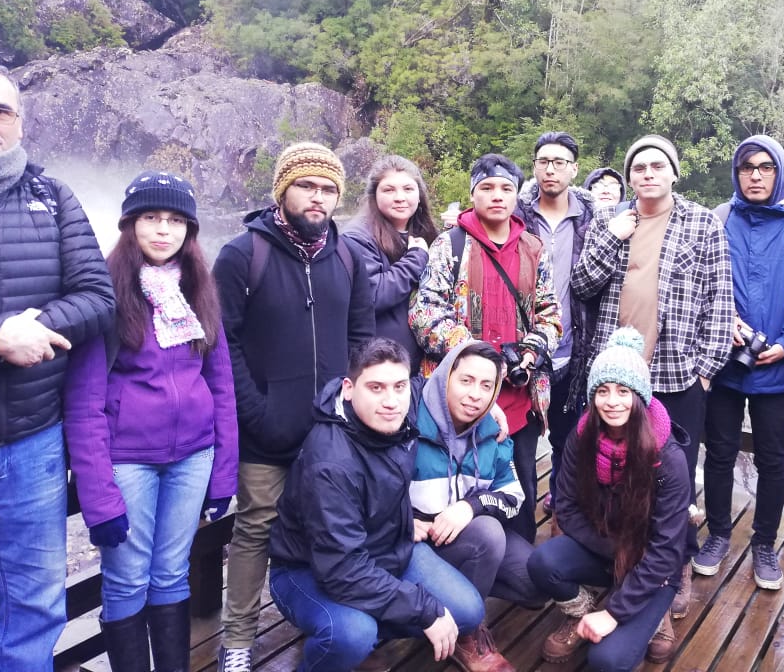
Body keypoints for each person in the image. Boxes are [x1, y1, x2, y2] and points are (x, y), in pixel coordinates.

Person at [0, 57, 115, 670]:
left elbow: (97, 296)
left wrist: (31, 330)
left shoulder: (52, 194)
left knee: (37, 605)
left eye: (0, 110)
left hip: (34, 441)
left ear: (19, 121)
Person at [64, 172, 239, 672]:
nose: (164, 230)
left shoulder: (198, 290)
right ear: (130, 224)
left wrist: (223, 474)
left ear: (189, 229)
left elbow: (221, 385)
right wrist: (98, 499)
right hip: (128, 461)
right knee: (126, 580)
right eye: (151, 217)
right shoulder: (105, 293)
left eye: (176, 220)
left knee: (171, 573)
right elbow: (83, 401)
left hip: (194, 456)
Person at [213, 142, 375, 672]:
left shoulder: (347, 256)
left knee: (334, 521)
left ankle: (328, 614)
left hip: (332, 430)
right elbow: (223, 342)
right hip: (266, 429)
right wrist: (255, 411)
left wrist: (349, 406)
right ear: (283, 189)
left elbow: (361, 337)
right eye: (307, 186)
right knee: (255, 527)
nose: (318, 198)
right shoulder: (243, 254)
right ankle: (238, 638)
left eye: (328, 189)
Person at [571, 133, 734, 617]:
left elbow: (719, 299)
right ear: (629, 177)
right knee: (612, 469)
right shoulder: (610, 219)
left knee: (674, 477)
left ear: (674, 173)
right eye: (638, 167)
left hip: (677, 373)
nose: (647, 174)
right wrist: (612, 238)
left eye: (657, 165)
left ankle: (675, 567)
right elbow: (582, 285)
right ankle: (617, 558)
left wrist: (705, 371)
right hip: (617, 376)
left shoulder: (702, 222)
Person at [269, 338, 484, 672]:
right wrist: (422, 609)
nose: (390, 401)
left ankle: (363, 629)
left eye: (399, 386)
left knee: (468, 611)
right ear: (349, 388)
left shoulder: (402, 408)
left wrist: (490, 408)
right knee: (353, 634)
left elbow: (441, 387)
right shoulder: (330, 464)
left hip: (385, 547)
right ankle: (346, 642)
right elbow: (341, 569)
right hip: (308, 569)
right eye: (376, 388)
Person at [697, 135, 784, 590]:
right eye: (746, 167)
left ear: (781, 172)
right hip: (725, 363)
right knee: (719, 454)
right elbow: (702, 286)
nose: (755, 175)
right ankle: (717, 534)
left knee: (773, 458)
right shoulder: (718, 219)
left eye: (765, 167)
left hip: (779, 367)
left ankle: (765, 543)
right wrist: (724, 325)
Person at [410, 153, 561, 543]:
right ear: (473, 193)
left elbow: (550, 314)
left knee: (520, 487)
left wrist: (530, 351)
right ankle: (458, 560)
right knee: (456, 486)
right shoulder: (450, 245)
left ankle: (518, 564)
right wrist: (476, 355)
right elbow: (425, 314)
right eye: (487, 187)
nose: (497, 195)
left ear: (516, 195)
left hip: (518, 399)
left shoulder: (533, 248)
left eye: (506, 188)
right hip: (459, 398)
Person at [528, 328, 695, 670]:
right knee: (543, 562)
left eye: (623, 391)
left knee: (607, 660)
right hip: (605, 546)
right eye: (603, 391)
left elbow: (666, 548)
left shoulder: (668, 458)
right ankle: (584, 614)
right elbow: (567, 508)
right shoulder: (581, 438)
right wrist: (617, 551)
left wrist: (615, 612)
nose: (612, 401)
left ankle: (650, 613)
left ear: (639, 395)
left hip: (654, 564)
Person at [411, 341, 544, 672]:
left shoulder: (491, 431)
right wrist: (403, 519)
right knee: (489, 533)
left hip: (460, 539)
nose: (475, 395)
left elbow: (513, 495)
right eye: (466, 381)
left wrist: (470, 506)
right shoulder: (408, 420)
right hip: (414, 545)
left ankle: (452, 596)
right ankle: (466, 631)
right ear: (445, 377)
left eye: (487, 386)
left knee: (539, 583)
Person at [514, 132, 595, 516]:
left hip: (573, 350)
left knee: (569, 438)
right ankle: (519, 517)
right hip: (524, 352)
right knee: (521, 441)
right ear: (534, 167)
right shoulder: (516, 215)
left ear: (574, 169)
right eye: (544, 161)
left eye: (559, 162)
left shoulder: (593, 219)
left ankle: (563, 508)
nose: (551, 169)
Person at [346, 154, 439, 375]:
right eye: (389, 190)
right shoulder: (356, 237)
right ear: (374, 195)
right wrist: (415, 258)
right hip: (378, 364)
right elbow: (372, 296)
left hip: (421, 365)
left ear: (419, 195)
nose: (400, 197)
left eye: (408, 189)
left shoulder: (424, 232)